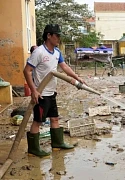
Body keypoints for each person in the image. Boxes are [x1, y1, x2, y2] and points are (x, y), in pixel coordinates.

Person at [23, 24, 86, 157]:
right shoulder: (39, 52)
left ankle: (57, 143)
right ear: (49, 36)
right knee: (38, 121)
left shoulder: (57, 52)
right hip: (41, 94)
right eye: (57, 35)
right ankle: (33, 149)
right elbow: (27, 71)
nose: (59, 38)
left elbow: (64, 67)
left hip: (51, 93)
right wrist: (33, 90)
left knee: (55, 118)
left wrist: (77, 77)